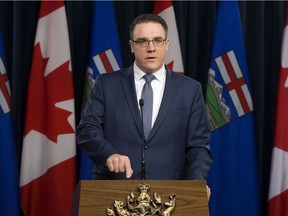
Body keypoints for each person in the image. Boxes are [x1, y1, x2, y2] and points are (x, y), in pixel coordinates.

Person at [76, 13, 212, 181]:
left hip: (170, 193)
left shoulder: (190, 89)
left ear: (166, 44)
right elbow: (87, 130)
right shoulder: (106, 84)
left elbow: (198, 146)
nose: (151, 48)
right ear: (132, 46)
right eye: (142, 41)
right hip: (115, 189)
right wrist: (108, 154)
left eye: (157, 40)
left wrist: (196, 185)